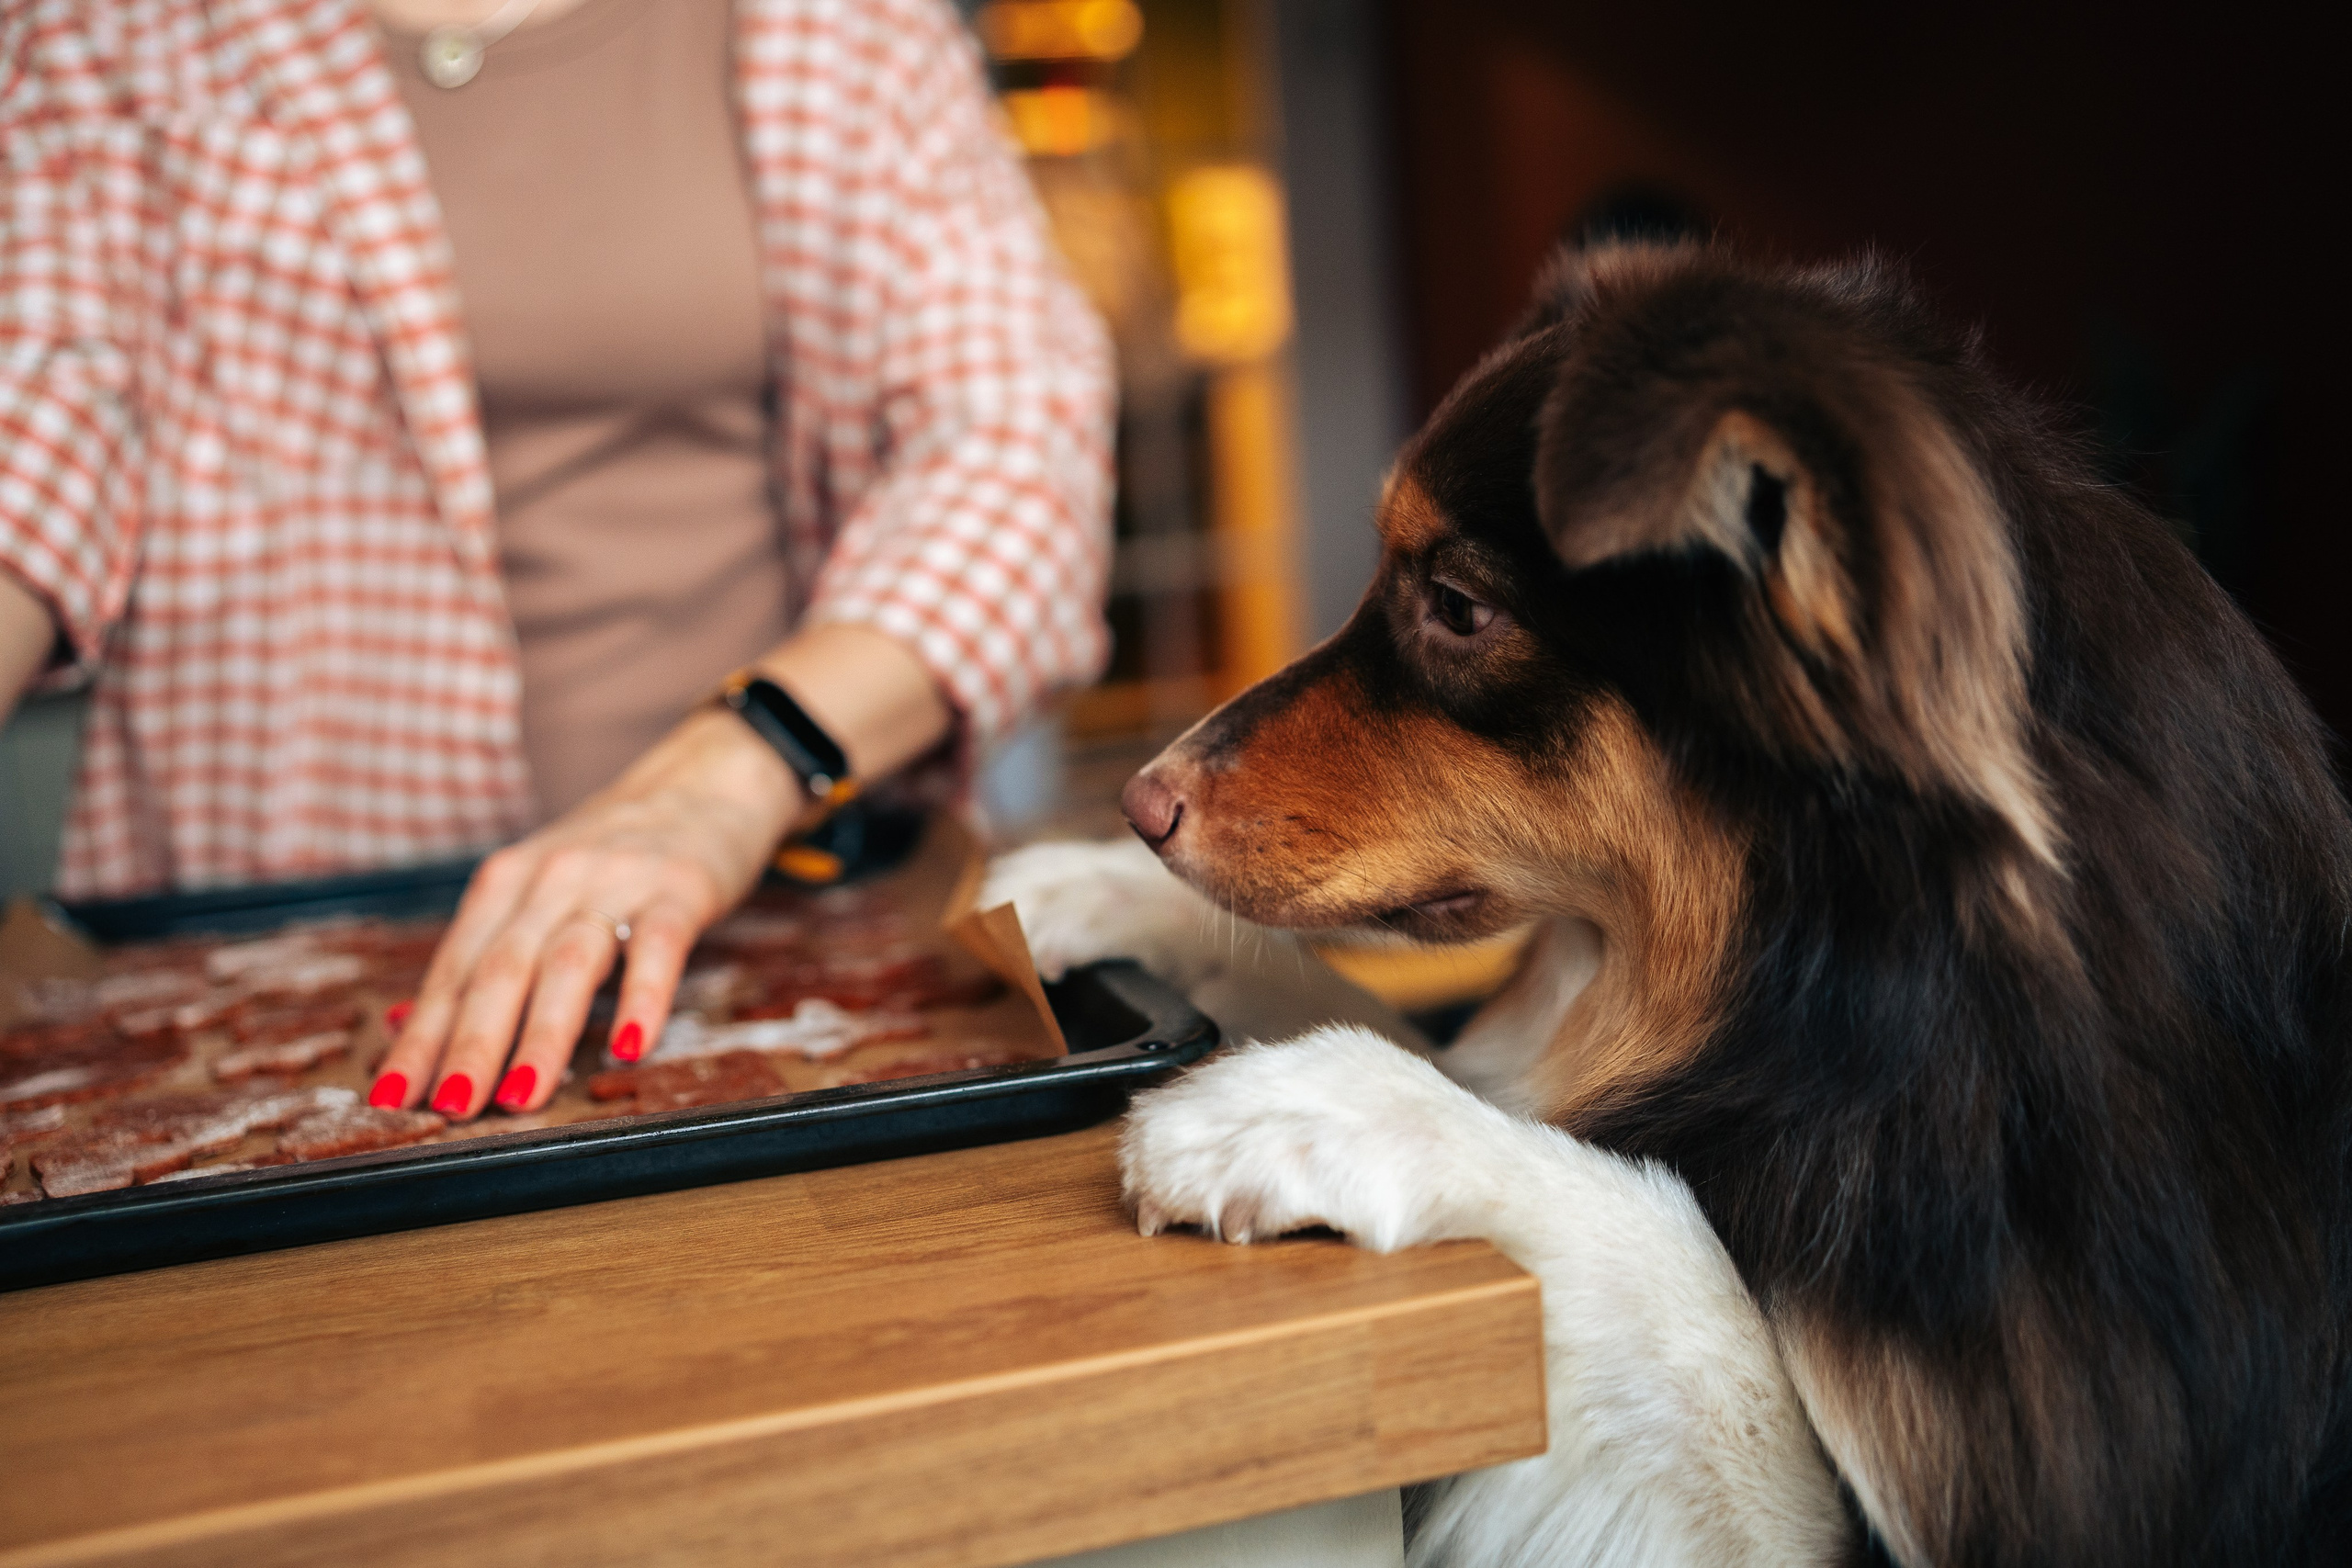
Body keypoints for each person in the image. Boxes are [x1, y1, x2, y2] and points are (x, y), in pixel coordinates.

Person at [0, 0, 1113, 1119]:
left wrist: (727, 777)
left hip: (769, 927)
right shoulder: (92, 34)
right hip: (257, 943)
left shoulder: (848, 28)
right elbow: (30, 433)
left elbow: (1014, 443)